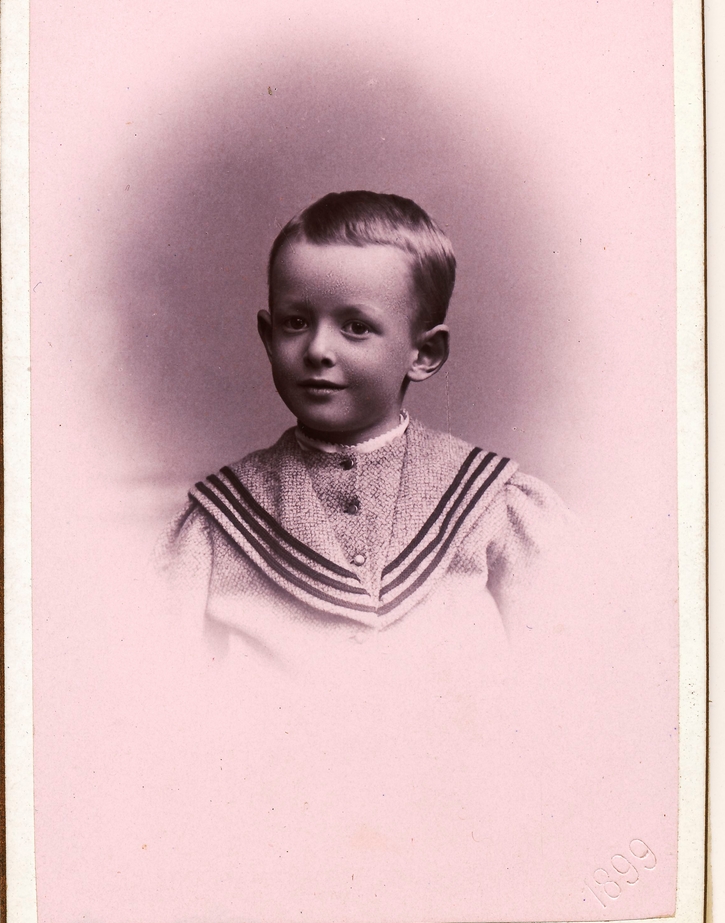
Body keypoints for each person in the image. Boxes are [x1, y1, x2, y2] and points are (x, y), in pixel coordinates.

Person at [159, 190, 568, 663]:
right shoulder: (218, 521)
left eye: (355, 327)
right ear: (268, 337)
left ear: (424, 353)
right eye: (296, 322)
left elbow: (566, 661)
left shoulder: (491, 502)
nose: (317, 349)